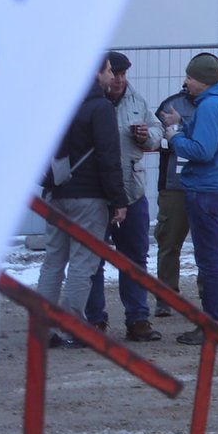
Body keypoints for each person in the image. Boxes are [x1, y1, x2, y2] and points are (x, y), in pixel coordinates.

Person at [37, 60, 129, 349]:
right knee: (82, 264)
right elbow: (108, 157)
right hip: (89, 197)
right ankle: (71, 327)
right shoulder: (100, 107)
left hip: (56, 194)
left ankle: (42, 325)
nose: (112, 76)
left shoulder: (59, 102)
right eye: (109, 70)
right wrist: (118, 199)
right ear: (95, 73)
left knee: (53, 261)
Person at [159, 52, 218, 345]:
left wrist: (174, 135)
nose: (186, 82)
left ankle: (213, 326)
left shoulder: (209, 107)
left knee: (209, 263)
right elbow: (215, 141)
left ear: (204, 82)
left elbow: (202, 151)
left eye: (190, 77)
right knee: (215, 261)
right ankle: (216, 323)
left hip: (206, 192)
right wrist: (184, 123)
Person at [82, 52, 162, 342]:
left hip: (132, 192)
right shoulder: (90, 103)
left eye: (123, 74)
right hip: (96, 195)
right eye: (114, 73)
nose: (119, 79)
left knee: (135, 258)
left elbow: (157, 130)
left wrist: (147, 136)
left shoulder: (136, 100)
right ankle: (94, 320)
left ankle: (138, 320)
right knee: (92, 260)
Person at [151, 77, 196, 319]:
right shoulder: (171, 105)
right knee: (168, 244)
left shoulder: (217, 104)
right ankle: (166, 297)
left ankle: (210, 298)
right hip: (174, 185)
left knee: (209, 248)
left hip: (207, 187)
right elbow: (155, 140)